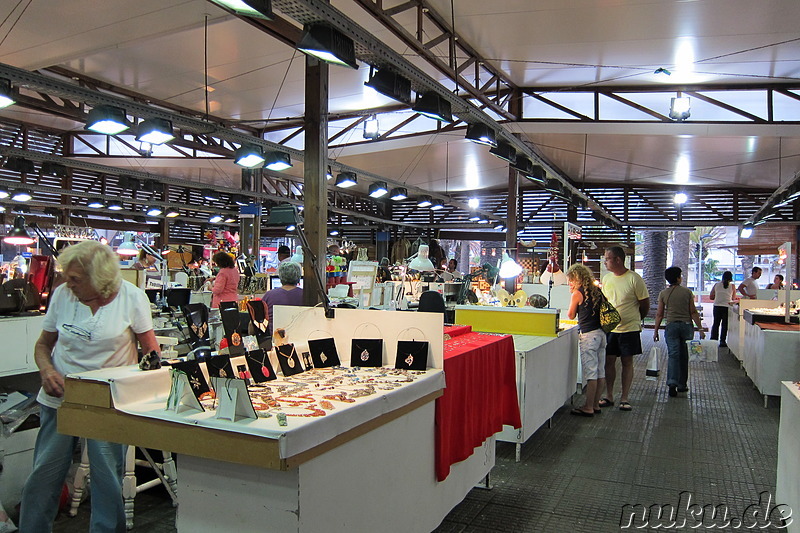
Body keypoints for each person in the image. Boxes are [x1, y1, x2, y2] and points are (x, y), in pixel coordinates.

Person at [19, 240, 159, 533]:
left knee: (108, 479)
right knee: (43, 475)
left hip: (107, 403)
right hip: (60, 397)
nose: (67, 284)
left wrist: (141, 397)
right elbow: (44, 345)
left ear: (100, 279)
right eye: (66, 277)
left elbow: (151, 354)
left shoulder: (131, 298)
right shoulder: (62, 296)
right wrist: (46, 370)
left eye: (75, 279)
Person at [600, 246, 649, 411]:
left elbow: (644, 304)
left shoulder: (634, 279)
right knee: (609, 361)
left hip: (630, 329)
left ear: (618, 260)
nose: (605, 261)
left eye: (607, 258)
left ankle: (625, 397)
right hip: (610, 329)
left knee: (627, 362)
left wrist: (635, 319)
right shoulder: (607, 279)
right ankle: (609, 395)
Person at [653, 266, 705, 397]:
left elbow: (659, 314)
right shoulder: (687, 292)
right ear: (677, 278)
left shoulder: (663, 293)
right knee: (684, 356)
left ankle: (672, 383)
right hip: (686, 326)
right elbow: (693, 312)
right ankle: (682, 385)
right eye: (680, 275)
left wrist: (656, 331)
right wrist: (700, 328)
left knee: (673, 355)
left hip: (671, 327)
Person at [566, 264, 607, 417]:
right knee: (600, 372)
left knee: (590, 374)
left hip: (589, 335)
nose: (569, 283)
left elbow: (570, 315)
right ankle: (596, 404)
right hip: (602, 334)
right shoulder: (597, 291)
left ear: (577, 279)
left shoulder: (577, 293)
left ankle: (588, 406)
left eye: (571, 280)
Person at [261, 261, 304, 336]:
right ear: (298, 277)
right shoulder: (306, 295)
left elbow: (259, 321)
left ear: (280, 276)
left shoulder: (269, 295)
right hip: (299, 337)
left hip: (273, 338)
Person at [710, 271, 736, 348]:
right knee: (725, 325)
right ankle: (722, 341)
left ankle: (713, 339)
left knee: (716, 324)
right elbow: (733, 298)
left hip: (717, 306)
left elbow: (711, 297)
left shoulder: (716, 285)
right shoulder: (732, 286)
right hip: (727, 307)